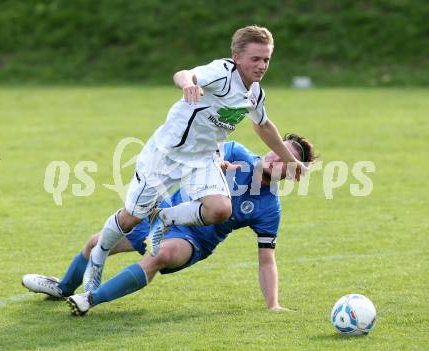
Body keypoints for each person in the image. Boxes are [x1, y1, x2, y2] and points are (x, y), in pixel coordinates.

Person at [81, 25, 308, 295]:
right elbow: (184, 73)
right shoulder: (223, 73)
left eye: (266, 59)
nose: (261, 65)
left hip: (203, 158)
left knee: (221, 210)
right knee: (131, 218)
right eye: (255, 58)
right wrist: (189, 84)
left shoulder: (255, 93)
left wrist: (291, 161)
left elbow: (263, 125)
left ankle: (164, 218)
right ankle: (99, 256)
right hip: (168, 153)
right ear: (237, 57)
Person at [22, 135, 317, 315]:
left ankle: (90, 299)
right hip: (163, 210)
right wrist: (217, 164)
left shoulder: (269, 209)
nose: (276, 157)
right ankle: (62, 288)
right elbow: (208, 151)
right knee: (96, 242)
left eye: (286, 159)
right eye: (277, 149)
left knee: (160, 255)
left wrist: (273, 304)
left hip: (195, 240)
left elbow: (267, 260)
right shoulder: (238, 152)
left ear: (292, 174)